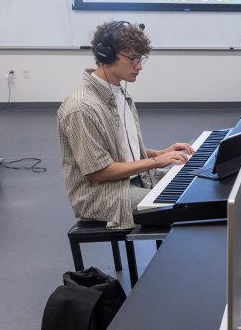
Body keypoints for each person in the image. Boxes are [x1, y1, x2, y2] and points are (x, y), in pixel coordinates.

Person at [57, 21, 194, 230]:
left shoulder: (118, 92)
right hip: (103, 194)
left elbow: (119, 149)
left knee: (195, 188)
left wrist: (160, 152)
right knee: (184, 209)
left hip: (132, 180)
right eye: (132, 59)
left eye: (141, 59)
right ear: (106, 55)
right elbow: (99, 172)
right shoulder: (82, 107)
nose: (139, 66)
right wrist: (156, 161)